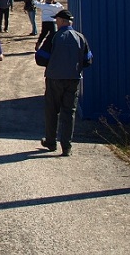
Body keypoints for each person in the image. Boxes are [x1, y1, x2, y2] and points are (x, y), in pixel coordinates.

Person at [38, 10, 93, 156]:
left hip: (54, 79)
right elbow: (88, 60)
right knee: (69, 113)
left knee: (52, 111)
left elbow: (40, 58)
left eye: (57, 20)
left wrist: (54, 64)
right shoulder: (80, 37)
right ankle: (66, 146)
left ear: (62, 21)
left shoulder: (55, 37)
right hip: (73, 79)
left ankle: (50, 141)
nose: (56, 22)